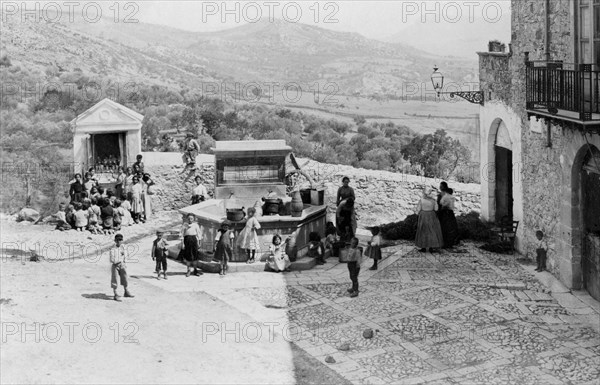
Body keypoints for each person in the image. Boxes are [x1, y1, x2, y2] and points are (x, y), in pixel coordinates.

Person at [415, 187, 444, 252]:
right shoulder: (433, 200)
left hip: (423, 215)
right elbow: (436, 209)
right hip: (431, 215)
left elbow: (418, 209)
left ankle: (423, 247)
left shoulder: (421, 200)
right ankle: (431, 247)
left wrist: (417, 215)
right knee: (432, 231)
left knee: (423, 231)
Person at [109, 233, 134, 301]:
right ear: (115, 241)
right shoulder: (113, 249)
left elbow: (126, 255)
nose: (119, 241)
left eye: (120, 240)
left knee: (124, 278)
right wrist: (119, 260)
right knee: (115, 279)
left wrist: (124, 261)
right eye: (117, 240)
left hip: (122, 265)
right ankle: (115, 293)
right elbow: (112, 259)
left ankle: (126, 291)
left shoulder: (123, 247)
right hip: (115, 265)